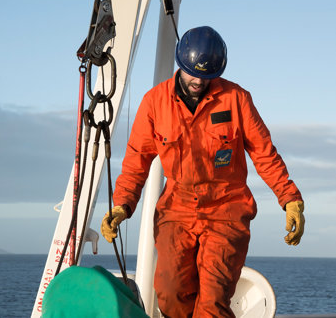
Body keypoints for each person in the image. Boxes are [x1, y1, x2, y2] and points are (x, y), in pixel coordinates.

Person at [101, 26, 305, 318]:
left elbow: (264, 153)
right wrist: (121, 205)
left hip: (227, 209)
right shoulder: (154, 103)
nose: (198, 81)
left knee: (213, 302)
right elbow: (136, 161)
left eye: (206, 76)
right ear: (179, 65)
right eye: (192, 73)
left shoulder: (237, 99)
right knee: (170, 294)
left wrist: (290, 199)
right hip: (177, 209)